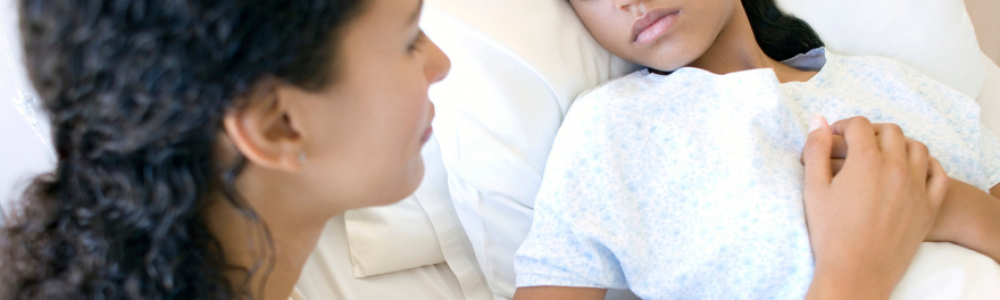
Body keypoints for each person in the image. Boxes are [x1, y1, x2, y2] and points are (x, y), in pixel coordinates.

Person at [0, 0, 967, 300]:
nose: (443, 60)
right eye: (407, 35)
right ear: (281, 127)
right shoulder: (615, 135)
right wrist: (850, 274)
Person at [512, 0, 1000, 299]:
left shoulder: (893, 83)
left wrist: (953, 206)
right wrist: (857, 266)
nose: (627, 0)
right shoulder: (611, 128)